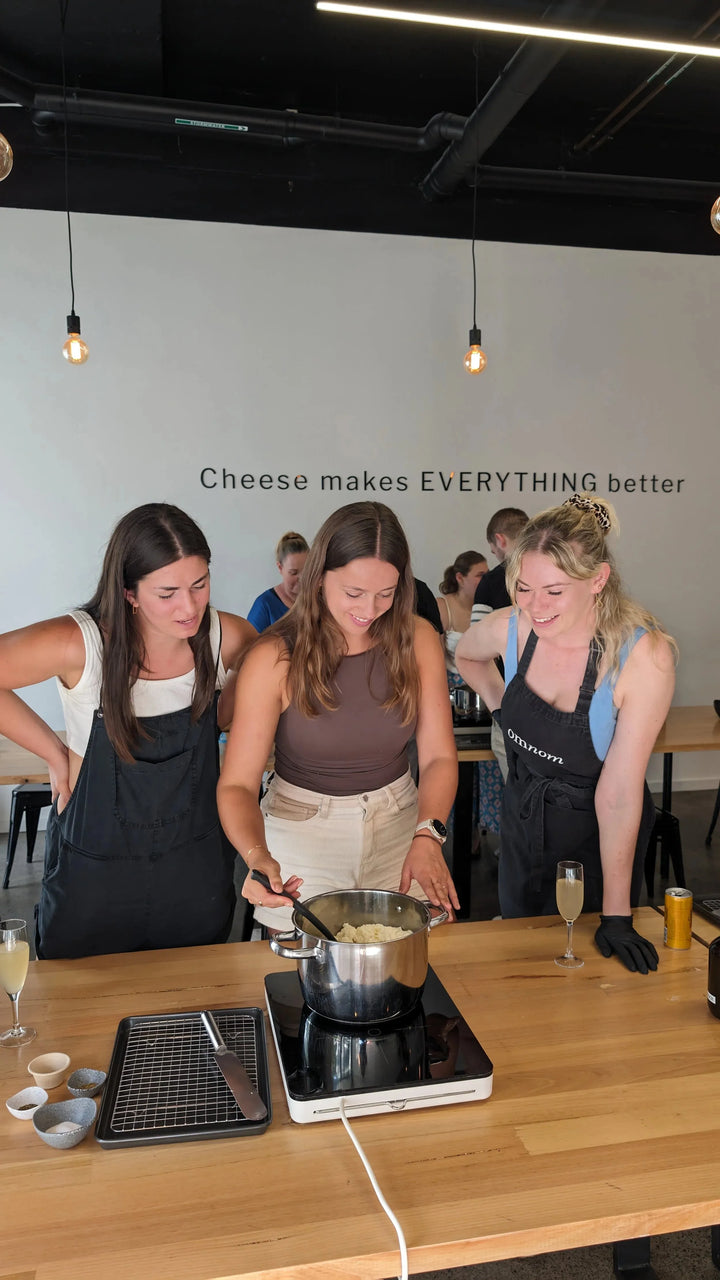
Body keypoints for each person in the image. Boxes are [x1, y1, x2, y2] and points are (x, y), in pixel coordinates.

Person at [0, 503, 256, 959]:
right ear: (129, 593)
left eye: (200, 585)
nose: (190, 606)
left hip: (194, 877)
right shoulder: (80, 643)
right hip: (93, 882)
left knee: (191, 1002)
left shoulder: (226, 637)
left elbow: (260, 690)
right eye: (168, 592)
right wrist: (54, 753)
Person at [456, 493, 675, 974]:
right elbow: (466, 655)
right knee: (523, 959)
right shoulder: (511, 627)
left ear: (598, 579)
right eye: (525, 588)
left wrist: (617, 914)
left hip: (596, 835)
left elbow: (618, 795)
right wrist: (500, 708)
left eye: (554, 592)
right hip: (525, 816)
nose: (536, 607)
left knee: (591, 975)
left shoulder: (641, 656)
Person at [217, 501, 460, 932]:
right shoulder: (275, 657)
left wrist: (429, 833)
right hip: (302, 834)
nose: (370, 609)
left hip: (401, 823)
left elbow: (440, 756)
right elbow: (237, 784)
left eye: (386, 593)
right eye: (353, 593)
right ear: (319, 578)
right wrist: (257, 857)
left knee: (410, 977)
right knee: (308, 981)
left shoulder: (417, 639)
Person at [470, 508, 529, 781]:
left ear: (500, 539)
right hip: (561, 697)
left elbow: (477, 651)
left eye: (492, 548)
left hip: (513, 700)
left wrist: (497, 706)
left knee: (518, 786)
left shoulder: (492, 582)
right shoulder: (559, 572)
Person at [435, 551, 488, 689]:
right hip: (451, 691)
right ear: (460, 578)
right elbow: (435, 659)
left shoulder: (487, 607)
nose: (486, 580)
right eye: (480, 575)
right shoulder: (443, 606)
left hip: (483, 687)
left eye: (488, 574)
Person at [470, 507, 529, 622]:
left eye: (494, 551)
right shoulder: (552, 570)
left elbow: (478, 635)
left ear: (500, 539)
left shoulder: (490, 582)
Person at [247, 532, 309, 632]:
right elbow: (249, 645)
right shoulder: (264, 605)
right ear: (280, 567)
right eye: (293, 573)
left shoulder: (319, 600)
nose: (301, 578)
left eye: (307, 570)